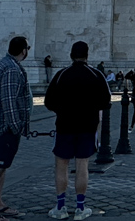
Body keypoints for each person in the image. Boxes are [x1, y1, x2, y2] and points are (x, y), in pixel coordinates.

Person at [45, 41, 111, 220]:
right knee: (82, 166)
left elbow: (48, 102)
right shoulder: (96, 75)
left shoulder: (61, 75)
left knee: (61, 166)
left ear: (71, 55)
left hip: (64, 126)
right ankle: (80, 208)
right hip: (87, 127)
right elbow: (106, 101)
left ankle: (60, 207)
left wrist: (62, 110)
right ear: (87, 55)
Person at [0, 36, 32, 221]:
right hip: (4, 126)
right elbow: (9, 101)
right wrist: (16, 126)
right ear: (23, 50)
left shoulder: (1, 63)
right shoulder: (12, 69)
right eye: (27, 48)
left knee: (1, 166)